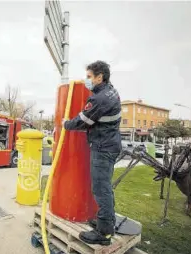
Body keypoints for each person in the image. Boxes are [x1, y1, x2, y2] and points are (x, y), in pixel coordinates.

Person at [63, 60, 122, 246]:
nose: (86, 80)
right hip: (110, 144)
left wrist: (65, 123)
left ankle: (104, 234)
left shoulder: (99, 98)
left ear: (99, 77)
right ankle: (107, 222)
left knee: (101, 189)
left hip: (102, 148)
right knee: (106, 188)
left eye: (89, 77)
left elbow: (82, 121)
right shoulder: (111, 91)